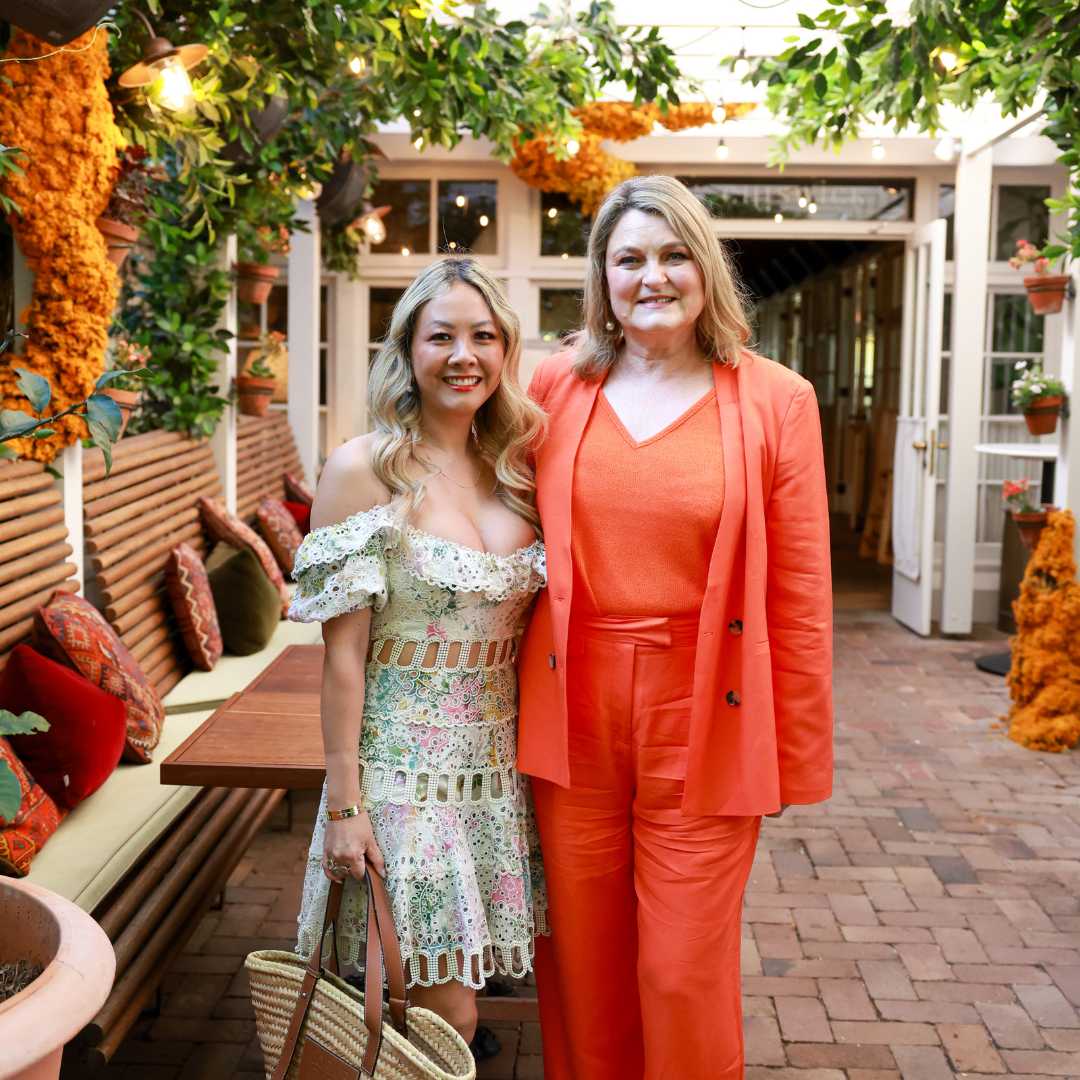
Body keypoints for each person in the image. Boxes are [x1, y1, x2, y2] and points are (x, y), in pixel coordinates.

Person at [517, 174, 834, 1079]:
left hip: (705, 713)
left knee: (679, 967)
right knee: (583, 962)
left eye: (671, 255)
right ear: (603, 278)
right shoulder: (555, 383)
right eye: (629, 259)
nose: (651, 277)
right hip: (570, 709)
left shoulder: (777, 400)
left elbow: (801, 596)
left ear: (705, 268)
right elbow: (503, 521)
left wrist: (794, 756)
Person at [288, 257, 548, 1045]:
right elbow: (342, 659)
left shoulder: (517, 468)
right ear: (407, 349)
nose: (462, 354)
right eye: (442, 336)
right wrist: (344, 807)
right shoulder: (364, 471)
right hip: (404, 782)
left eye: (483, 336)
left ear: (505, 351)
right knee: (441, 1015)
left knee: (438, 1010)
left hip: (497, 777)